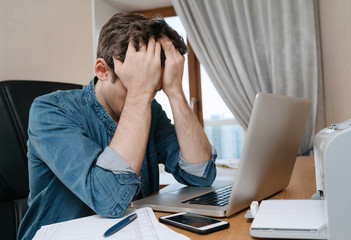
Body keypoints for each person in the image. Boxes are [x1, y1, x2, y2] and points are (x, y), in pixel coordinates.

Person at [18, 13, 217, 240]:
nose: (149, 95)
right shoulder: (50, 111)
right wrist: (139, 92)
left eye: (154, 87)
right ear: (102, 70)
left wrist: (175, 91)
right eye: (136, 82)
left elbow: (200, 175)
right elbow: (109, 198)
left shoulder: (150, 108)